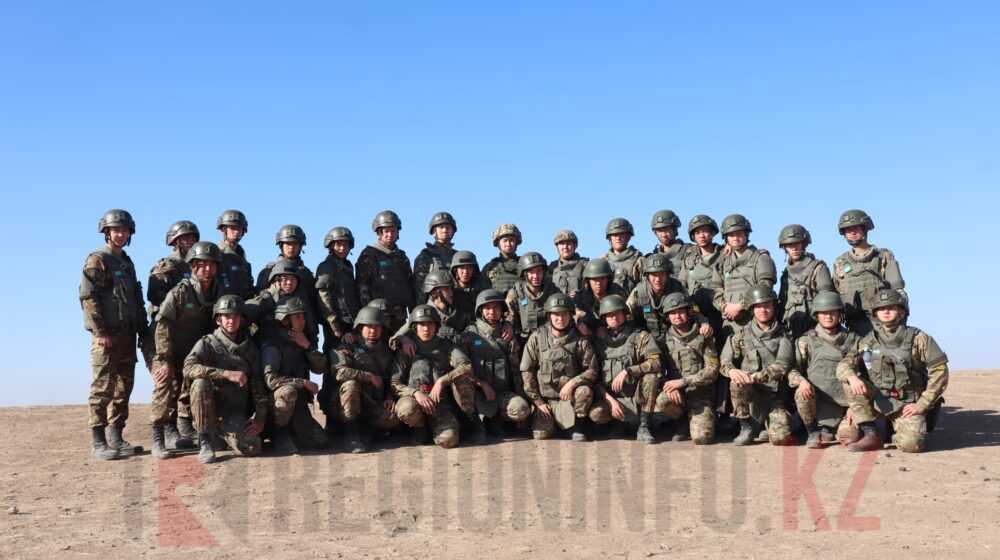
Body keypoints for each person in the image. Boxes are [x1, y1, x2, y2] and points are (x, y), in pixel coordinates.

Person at [838, 289, 948, 453]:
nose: (886, 312)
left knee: (911, 445)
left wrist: (923, 404)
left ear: (901, 312)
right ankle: (871, 434)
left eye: (891, 308)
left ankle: (890, 433)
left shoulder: (919, 338)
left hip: (906, 405)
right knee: (847, 435)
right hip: (877, 402)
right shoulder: (868, 341)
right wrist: (853, 382)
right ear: (875, 314)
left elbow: (940, 371)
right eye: (881, 309)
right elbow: (844, 365)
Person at [80, 209, 150, 460]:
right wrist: (100, 332)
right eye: (116, 230)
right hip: (107, 336)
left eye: (124, 230)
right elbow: (89, 298)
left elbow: (135, 299)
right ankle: (98, 442)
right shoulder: (97, 260)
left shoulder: (126, 263)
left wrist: (142, 330)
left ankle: (116, 437)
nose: (120, 234)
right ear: (106, 232)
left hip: (127, 336)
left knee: (123, 388)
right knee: (102, 388)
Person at [150, 241, 225, 458]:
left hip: (199, 353)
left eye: (211, 264)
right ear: (193, 266)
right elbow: (162, 325)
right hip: (171, 350)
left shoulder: (219, 291)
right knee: (165, 384)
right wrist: (164, 359)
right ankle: (158, 438)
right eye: (202, 265)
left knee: (205, 385)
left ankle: (206, 436)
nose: (207, 269)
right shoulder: (180, 292)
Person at [183, 295, 268, 463]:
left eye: (235, 316)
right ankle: (205, 441)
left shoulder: (250, 348)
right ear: (218, 320)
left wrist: (260, 418)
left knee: (252, 446)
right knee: (200, 383)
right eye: (227, 316)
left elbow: (258, 384)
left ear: (241, 319)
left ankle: (222, 438)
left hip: (234, 413)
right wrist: (225, 374)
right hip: (210, 412)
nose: (231, 320)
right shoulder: (207, 343)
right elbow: (188, 368)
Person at [787, 291, 869, 448]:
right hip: (818, 404)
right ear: (816, 315)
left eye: (833, 312)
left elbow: (866, 376)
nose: (828, 316)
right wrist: (801, 381)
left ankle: (833, 429)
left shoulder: (854, 340)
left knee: (849, 438)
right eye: (824, 313)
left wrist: (856, 407)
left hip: (846, 406)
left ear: (840, 314)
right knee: (801, 393)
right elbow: (792, 370)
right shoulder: (806, 341)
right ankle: (812, 431)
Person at [390, 305, 477, 448]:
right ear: (415, 327)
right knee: (406, 409)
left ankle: (461, 422)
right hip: (415, 401)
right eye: (422, 324)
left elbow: (466, 366)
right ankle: (420, 428)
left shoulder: (446, 346)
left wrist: (442, 381)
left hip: (440, 404)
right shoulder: (406, 349)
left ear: (436, 326)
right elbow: (395, 382)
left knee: (449, 440)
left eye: (430, 324)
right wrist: (415, 393)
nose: (426, 328)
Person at [720, 287, 794, 446]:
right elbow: (725, 360)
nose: (763, 310)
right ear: (752, 309)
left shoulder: (785, 335)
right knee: (737, 382)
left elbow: (782, 365)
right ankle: (745, 427)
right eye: (758, 306)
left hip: (775, 396)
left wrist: (754, 377)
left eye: (767, 306)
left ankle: (771, 424)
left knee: (781, 438)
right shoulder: (741, 335)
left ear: (774, 307)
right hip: (750, 396)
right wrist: (732, 370)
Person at [521, 293, 598, 441]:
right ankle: (553, 422)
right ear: (549, 316)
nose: (560, 319)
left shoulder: (580, 339)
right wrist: (538, 402)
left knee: (584, 391)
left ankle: (577, 425)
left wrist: (572, 384)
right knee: (541, 436)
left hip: (570, 399)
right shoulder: (537, 337)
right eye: (556, 314)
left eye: (564, 314)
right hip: (546, 400)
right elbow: (527, 371)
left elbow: (592, 371)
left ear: (570, 315)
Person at [588, 295, 664, 443]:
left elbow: (656, 363)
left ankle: (644, 425)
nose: (614, 317)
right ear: (604, 318)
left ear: (625, 314)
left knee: (651, 377)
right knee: (596, 414)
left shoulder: (640, 337)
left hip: (638, 397)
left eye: (617, 313)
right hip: (614, 400)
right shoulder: (599, 342)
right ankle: (619, 424)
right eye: (609, 315)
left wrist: (628, 371)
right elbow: (594, 377)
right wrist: (610, 401)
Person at [261, 297, 329, 455]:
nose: (303, 320)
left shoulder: (301, 340)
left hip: (298, 405)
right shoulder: (272, 345)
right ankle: (279, 434)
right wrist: (302, 382)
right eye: (297, 316)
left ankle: (292, 432)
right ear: (285, 320)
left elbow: (321, 368)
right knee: (288, 391)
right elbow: (271, 380)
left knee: (321, 441)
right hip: (275, 405)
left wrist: (308, 346)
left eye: (303, 316)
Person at [329, 305, 402, 453]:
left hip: (374, 402)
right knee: (351, 385)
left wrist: (389, 396)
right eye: (369, 327)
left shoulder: (387, 349)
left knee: (396, 418)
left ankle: (369, 430)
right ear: (360, 327)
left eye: (377, 327)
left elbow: (393, 376)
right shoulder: (347, 346)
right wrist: (368, 377)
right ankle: (351, 434)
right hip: (349, 402)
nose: (373, 331)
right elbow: (339, 372)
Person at [461, 289, 532, 439]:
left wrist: (522, 396)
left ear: (502, 311)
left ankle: (497, 420)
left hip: (501, 392)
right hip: (476, 392)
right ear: (480, 310)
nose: (492, 312)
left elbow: (515, 371)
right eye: (487, 308)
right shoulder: (470, 334)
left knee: (522, 409)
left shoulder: (507, 334)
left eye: (496, 308)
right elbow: (462, 368)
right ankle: (475, 422)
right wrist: (481, 384)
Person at [832, 210, 906, 335]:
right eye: (848, 230)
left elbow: (899, 292)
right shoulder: (840, 263)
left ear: (865, 228)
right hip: (853, 328)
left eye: (856, 228)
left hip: (883, 326)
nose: (852, 232)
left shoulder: (883, 256)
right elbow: (833, 298)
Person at [658, 293, 719, 444]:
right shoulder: (664, 340)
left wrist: (684, 382)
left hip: (700, 395)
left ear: (688, 312)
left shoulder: (703, 335)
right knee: (663, 400)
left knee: (702, 438)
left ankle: (705, 417)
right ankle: (681, 421)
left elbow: (712, 370)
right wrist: (668, 387)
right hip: (678, 394)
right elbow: (659, 370)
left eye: (680, 311)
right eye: (672, 313)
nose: (677, 316)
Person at [716, 214, 777, 343]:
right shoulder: (723, 261)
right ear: (726, 238)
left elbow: (765, 287)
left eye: (739, 233)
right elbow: (715, 288)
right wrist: (724, 307)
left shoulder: (761, 258)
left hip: (755, 320)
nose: (735, 238)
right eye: (731, 235)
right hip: (729, 323)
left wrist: (740, 307)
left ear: (746, 234)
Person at [356, 210, 414, 333]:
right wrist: (368, 315)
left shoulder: (402, 257)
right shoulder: (369, 255)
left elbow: (409, 287)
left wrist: (413, 314)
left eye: (393, 231)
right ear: (379, 232)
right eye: (386, 231)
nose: (390, 234)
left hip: (400, 317)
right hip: (377, 318)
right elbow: (362, 287)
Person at [777, 224, 834, 339]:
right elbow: (782, 305)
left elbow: (829, 304)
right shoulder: (786, 274)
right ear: (785, 248)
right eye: (790, 245)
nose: (794, 248)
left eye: (797, 243)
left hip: (815, 332)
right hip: (791, 332)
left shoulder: (818, 269)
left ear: (804, 244)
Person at [678, 214, 725, 339]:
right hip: (697, 316)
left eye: (705, 231)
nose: (702, 236)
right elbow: (681, 286)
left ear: (713, 233)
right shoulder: (689, 260)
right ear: (693, 236)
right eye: (697, 232)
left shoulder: (724, 255)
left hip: (721, 313)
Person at [316, 226, 361, 351]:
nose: (342, 248)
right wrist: (335, 326)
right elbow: (324, 298)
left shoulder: (347, 266)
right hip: (336, 324)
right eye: (338, 245)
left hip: (350, 321)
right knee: (337, 356)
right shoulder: (326, 267)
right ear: (331, 246)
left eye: (345, 245)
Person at [147, 220, 199, 322]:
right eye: (185, 238)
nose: (190, 241)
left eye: (193, 238)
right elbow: (155, 297)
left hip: (191, 320)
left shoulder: (197, 266)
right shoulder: (166, 265)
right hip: (167, 320)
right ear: (175, 241)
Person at [506, 251, 559, 345]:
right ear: (524, 273)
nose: (536, 276)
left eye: (539, 271)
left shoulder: (553, 290)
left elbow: (567, 312)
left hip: (550, 340)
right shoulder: (516, 293)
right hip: (524, 342)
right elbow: (510, 315)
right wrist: (508, 325)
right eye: (531, 272)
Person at [413, 212, 459, 300]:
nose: (445, 230)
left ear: (453, 231)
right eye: (441, 227)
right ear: (434, 231)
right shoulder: (425, 255)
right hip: (433, 303)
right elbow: (419, 287)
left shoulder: (458, 256)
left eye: (448, 227)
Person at [573, 258, 624, 337]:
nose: (598, 283)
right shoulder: (580, 299)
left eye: (602, 278)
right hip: (589, 336)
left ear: (608, 279)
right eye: (594, 279)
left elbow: (627, 317)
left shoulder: (617, 294)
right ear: (588, 281)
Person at [216, 210, 253, 300]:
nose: (236, 231)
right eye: (232, 228)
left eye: (239, 228)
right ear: (224, 230)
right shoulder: (216, 255)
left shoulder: (244, 261)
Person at [602, 218, 644, 295]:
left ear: (628, 237)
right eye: (615, 235)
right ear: (610, 238)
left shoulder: (639, 260)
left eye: (621, 234)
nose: (618, 238)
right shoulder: (603, 262)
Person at [482, 223, 523, 293]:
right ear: (498, 243)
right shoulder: (490, 267)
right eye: (505, 240)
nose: (508, 244)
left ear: (516, 243)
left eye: (511, 240)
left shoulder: (524, 265)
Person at [548, 229, 588, 298]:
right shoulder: (551, 268)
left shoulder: (586, 266)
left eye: (569, 243)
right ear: (557, 246)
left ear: (575, 245)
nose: (565, 247)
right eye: (562, 243)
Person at [648, 210, 687, 275]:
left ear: (674, 229)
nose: (663, 235)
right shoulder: (651, 258)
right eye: (659, 230)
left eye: (666, 229)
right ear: (655, 233)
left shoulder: (689, 252)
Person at [449, 250, 485, 319]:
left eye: (469, 268)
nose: (465, 272)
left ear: (474, 270)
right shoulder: (449, 290)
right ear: (455, 270)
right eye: (462, 268)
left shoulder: (482, 288)